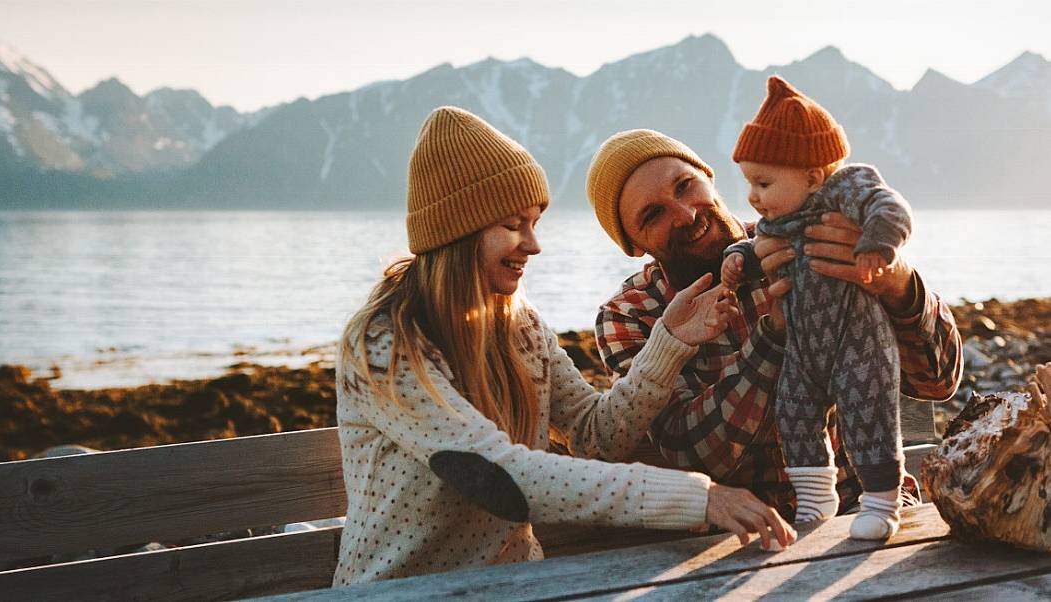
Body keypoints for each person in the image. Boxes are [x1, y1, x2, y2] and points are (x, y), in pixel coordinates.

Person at [334, 106, 795, 585]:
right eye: (514, 225)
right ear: (459, 231)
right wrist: (699, 496)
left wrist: (670, 341)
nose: (533, 245)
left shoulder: (519, 325)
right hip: (402, 593)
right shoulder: (385, 343)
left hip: (520, 585)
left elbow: (597, 435)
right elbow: (495, 473)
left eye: (534, 222)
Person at [585, 124, 962, 528]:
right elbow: (690, 451)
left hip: (868, 509)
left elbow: (938, 382)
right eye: (653, 214)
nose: (687, 214)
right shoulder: (630, 315)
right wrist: (774, 337)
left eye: (684, 186)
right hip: (738, 539)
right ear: (632, 244)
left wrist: (897, 283)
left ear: (708, 178)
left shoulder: (810, 233)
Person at [720, 75, 913, 540]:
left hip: (857, 341)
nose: (752, 196)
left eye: (763, 182)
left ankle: (882, 503)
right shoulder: (778, 222)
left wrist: (878, 246)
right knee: (794, 411)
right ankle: (815, 496)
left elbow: (890, 207)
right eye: (749, 183)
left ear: (811, 176)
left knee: (869, 413)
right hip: (805, 350)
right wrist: (736, 259)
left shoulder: (843, 191)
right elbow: (755, 247)